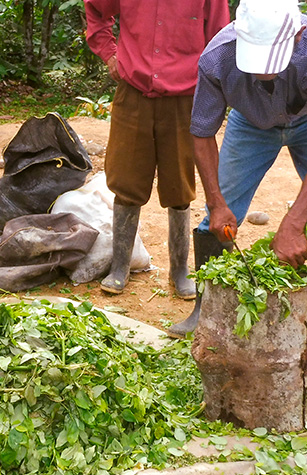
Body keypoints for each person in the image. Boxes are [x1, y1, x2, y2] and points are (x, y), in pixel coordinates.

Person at [168, 0, 307, 359]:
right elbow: (202, 134)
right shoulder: (217, 58)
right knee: (218, 218)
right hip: (250, 124)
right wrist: (217, 203)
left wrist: (294, 224)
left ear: (298, 35)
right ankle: (205, 309)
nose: (262, 73)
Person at [83, 0, 231, 297]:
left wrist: (214, 87)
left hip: (184, 96)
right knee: (126, 181)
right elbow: (96, 10)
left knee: (179, 186)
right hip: (133, 90)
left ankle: (179, 271)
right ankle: (120, 266)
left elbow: (221, 36)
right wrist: (111, 55)